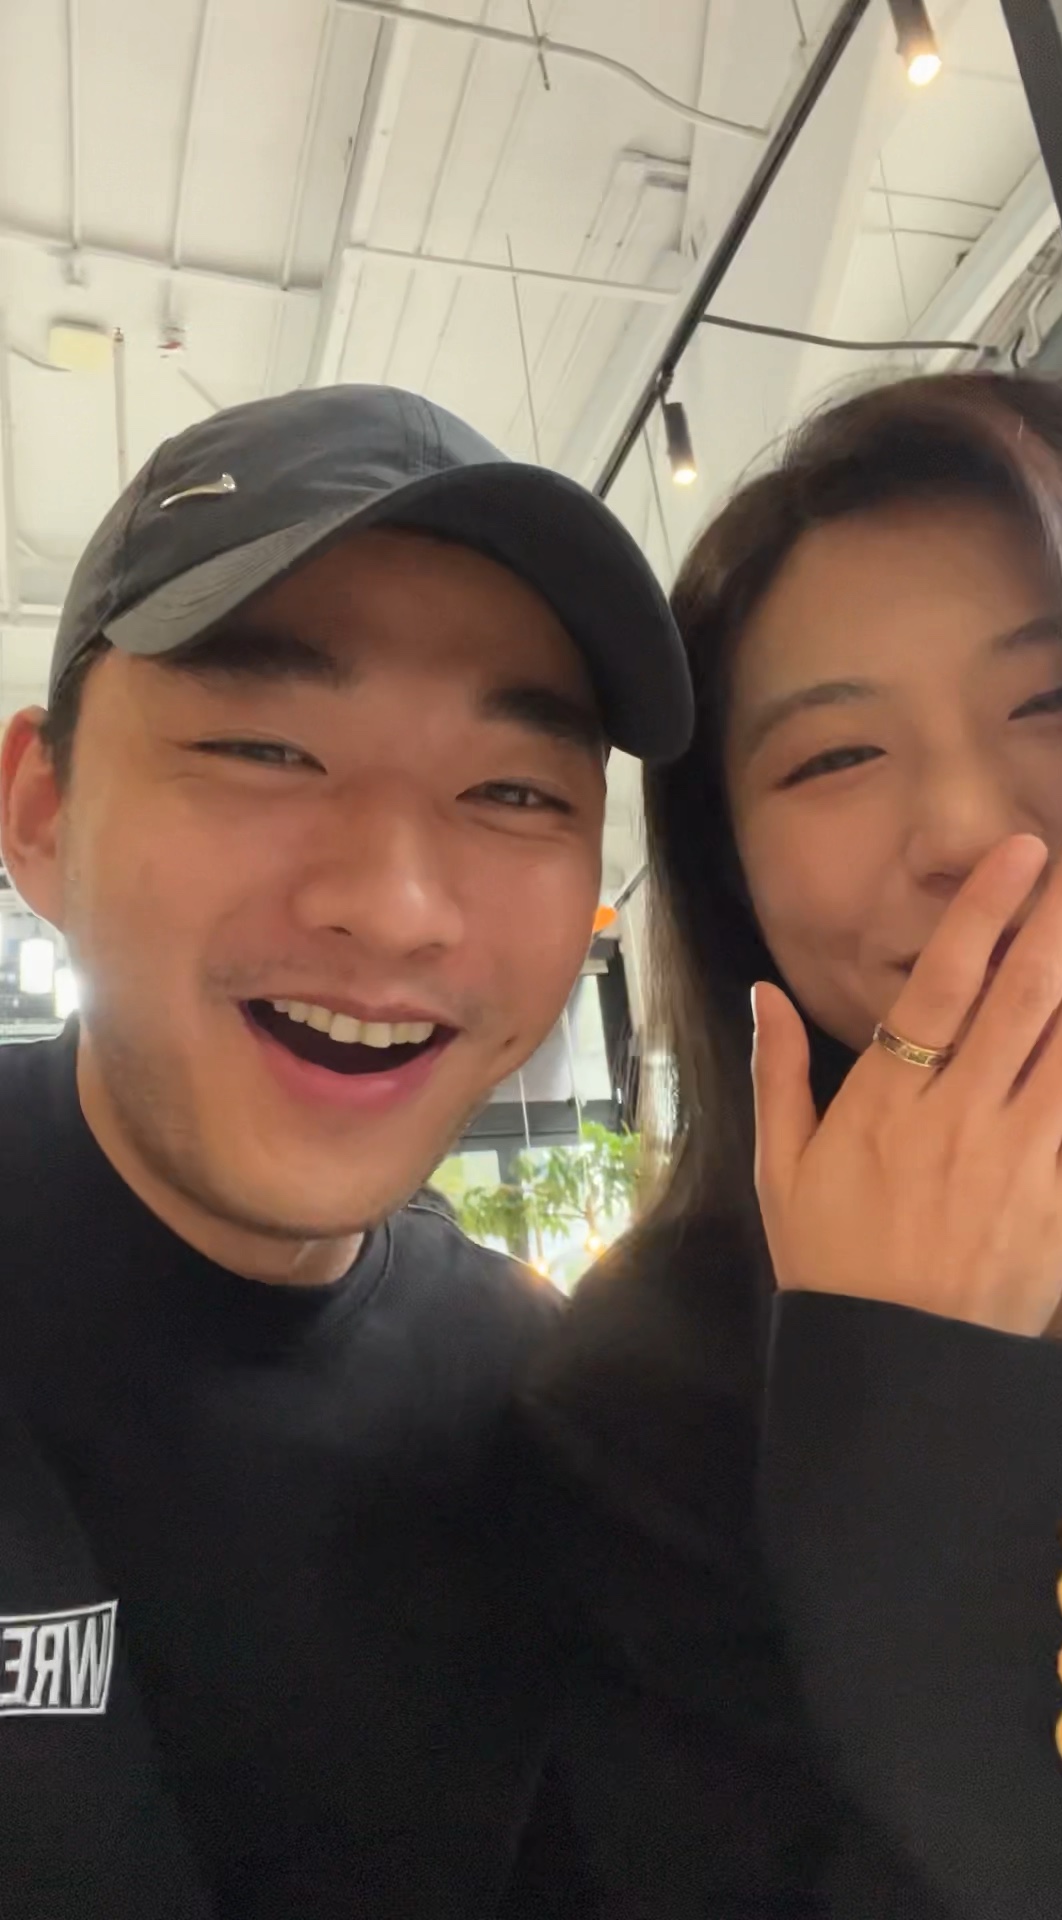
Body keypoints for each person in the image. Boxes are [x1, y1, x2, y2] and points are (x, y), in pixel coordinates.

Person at [0, 381, 693, 1919]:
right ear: (43, 813)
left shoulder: (551, 1416)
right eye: (263, 747)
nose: (394, 905)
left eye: (512, 790)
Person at [524, 371, 1062, 1919]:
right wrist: (906, 1400)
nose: (967, 830)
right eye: (834, 758)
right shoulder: (644, 1405)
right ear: (730, 873)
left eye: (1059, 700)